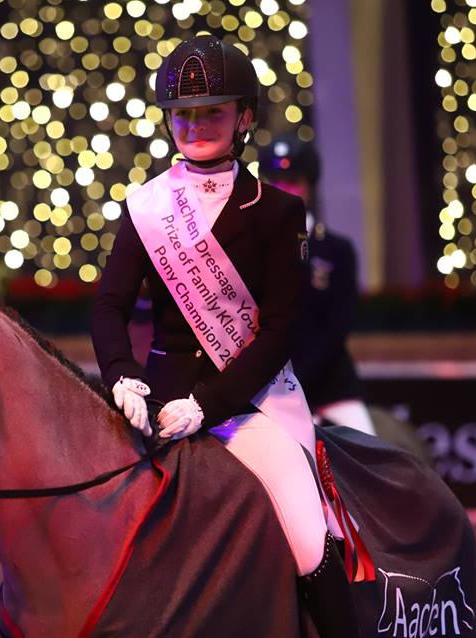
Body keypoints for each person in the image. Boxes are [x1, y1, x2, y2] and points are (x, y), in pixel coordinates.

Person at [91, 34, 359, 637]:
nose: (195, 125)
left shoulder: (275, 211)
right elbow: (108, 307)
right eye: (183, 114)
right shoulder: (145, 207)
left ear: (243, 118)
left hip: (249, 404)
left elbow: (282, 329)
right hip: (156, 403)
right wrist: (121, 377)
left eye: (211, 111)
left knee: (308, 535)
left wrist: (208, 405)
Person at [259, 135, 376, 436]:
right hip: (268, 389)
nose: (285, 190)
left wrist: (300, 379)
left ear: (309, 186)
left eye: (293, 181)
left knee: (370, 452)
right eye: (276, 181)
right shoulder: (252, 247)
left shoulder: (336, 249)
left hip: (329, 390)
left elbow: (337, 325)